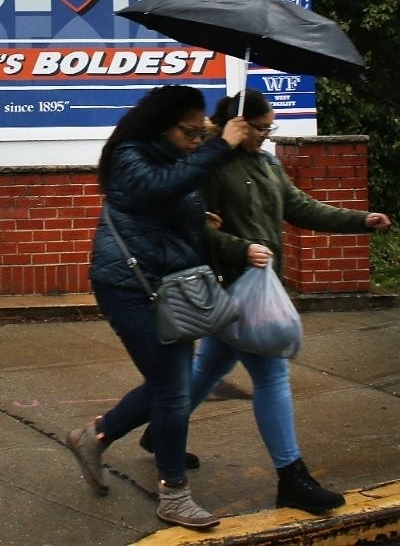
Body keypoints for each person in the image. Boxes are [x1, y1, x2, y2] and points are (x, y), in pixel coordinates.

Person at [189, 89, 392, 513]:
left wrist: (360, 220)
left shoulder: (267, 163)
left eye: (270, 128)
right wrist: (239, 248)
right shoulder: (210, 165)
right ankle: (292, 477)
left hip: (259, 286)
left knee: (210, 366)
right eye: (262, 128)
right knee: (272, 375)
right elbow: (191, 229)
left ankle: (158, 429)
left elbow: (302, 208)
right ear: (240, 125)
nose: (267, 135)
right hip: (231, 286)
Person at [66, 85, 249, 530]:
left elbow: (163, 204)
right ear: (162, 126)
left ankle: (94, 436)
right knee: (172, 387)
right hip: (129, 286)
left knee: (174, 382)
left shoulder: (169, 155)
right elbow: (155, 190)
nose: (195, 140)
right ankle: (174, 493)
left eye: (200, 132)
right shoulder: (131, 154)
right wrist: (222, 144)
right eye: (190, 132)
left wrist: (197, 220)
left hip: (165, 285)